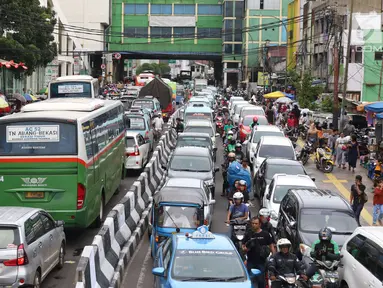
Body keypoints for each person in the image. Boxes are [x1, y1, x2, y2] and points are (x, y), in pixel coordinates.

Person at [243, 217, 276, 288]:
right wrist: (246, 249)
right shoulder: (248, 234)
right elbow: (243, 246)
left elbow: (271, 246)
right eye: (252, 223)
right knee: (249, 281)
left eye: (256, 223)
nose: (254, 225)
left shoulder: (266, 234)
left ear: (259, 224)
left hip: (262, 261)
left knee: (261, 281)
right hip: (250, 261)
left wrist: (274, 257)